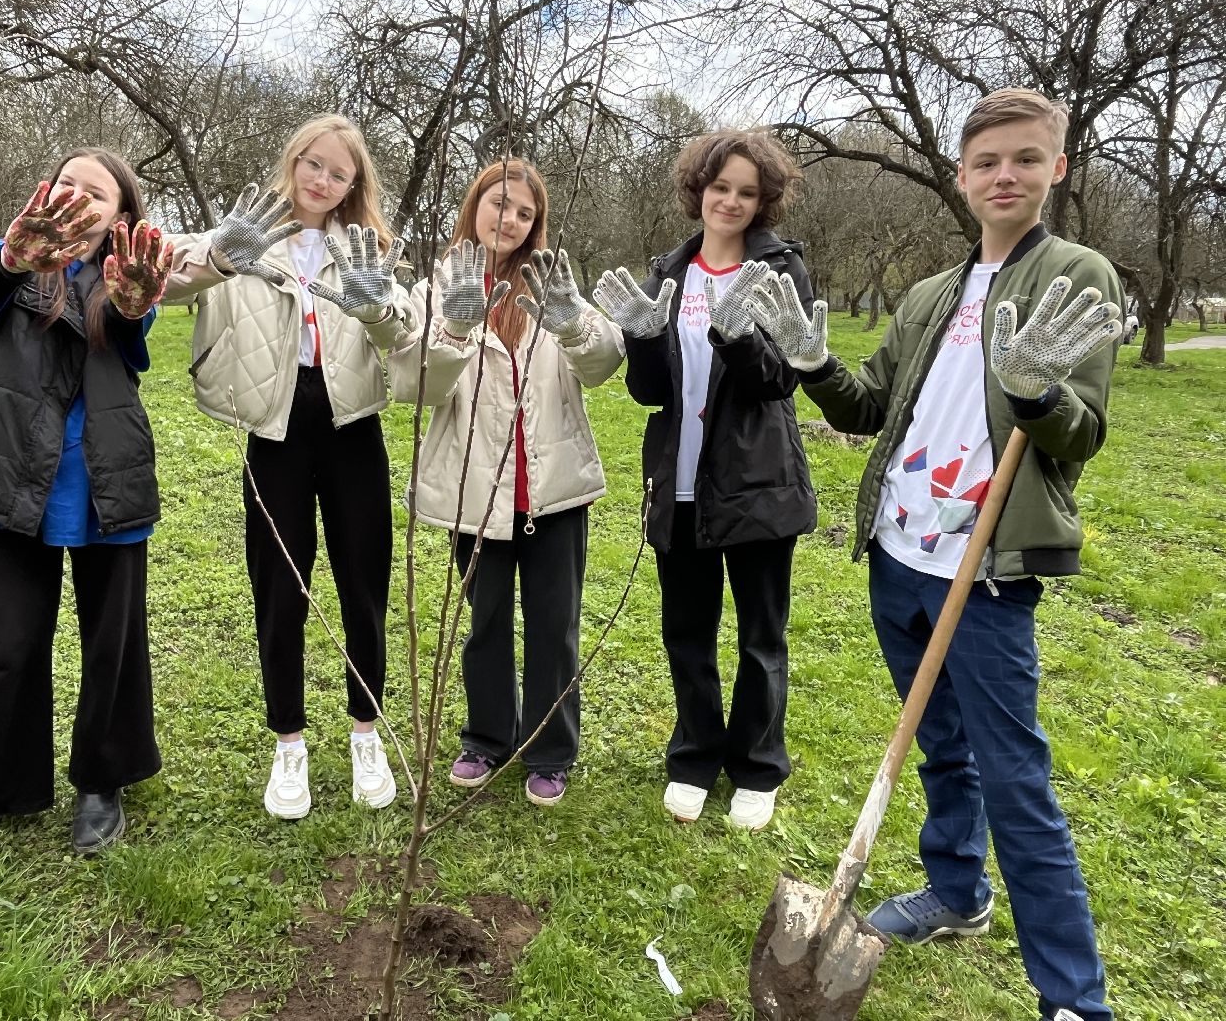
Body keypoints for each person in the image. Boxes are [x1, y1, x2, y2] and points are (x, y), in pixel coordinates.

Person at [746, 88, 1122, 1021]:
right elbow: (869, 407)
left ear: (1056, 169)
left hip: (984, 573)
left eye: (1026, 159)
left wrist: (1037, 395)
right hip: (899, 552)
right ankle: (957, 891)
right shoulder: (928, 296)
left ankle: (1073, 997)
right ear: (960, 176)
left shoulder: (1076, 278)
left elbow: (1080, 437)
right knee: (942, 745)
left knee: (1015, 777)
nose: (1006, 176)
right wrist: (811, 366)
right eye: (988, 161)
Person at [0, 148, 175, 856]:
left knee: (111, 646)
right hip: (9, 473)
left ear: (122, 218)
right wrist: (13, 262)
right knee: (3, 648)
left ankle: (101, 781)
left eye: (99, 194)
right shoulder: (4, 257)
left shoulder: (129, 280)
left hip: (103, 477)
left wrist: (131, 306)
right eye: (68, 184)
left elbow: (130, 334)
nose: (79, 198)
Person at [163, 115, 413, 819]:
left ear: (351, 185)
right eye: (311, 162)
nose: (320, 179)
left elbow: (399, 327)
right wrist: (218, 256)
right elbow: (167, 279)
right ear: (291, 160)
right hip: (276, 430)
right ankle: (289, 746)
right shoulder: (247, 231)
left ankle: (366, 734)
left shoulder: (365, 247)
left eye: (337, 172)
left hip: (351, 425)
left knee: (364, 585)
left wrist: (377, 309)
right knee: (280, 588)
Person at [594, 129, 817, 830]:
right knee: (687, 632)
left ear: (764, 201)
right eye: (720, 187)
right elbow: (649, 391)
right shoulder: (670, 272)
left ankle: (757, 766)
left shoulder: (782, 270)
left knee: (760, 636)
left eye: (747, 192)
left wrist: (741, 338)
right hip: (679, 482)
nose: (731, 201)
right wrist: (639, 336)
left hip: (756, 481)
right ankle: (693, 755)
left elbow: (782, 382)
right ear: (699, 190)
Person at [388, 159, 624, 806]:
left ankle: (550, 751)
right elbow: (413, 385)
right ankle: (486, 738)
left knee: (556, 626)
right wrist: (457, 325)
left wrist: (575, 322)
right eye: (501, 205)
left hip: (553, 490)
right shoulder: (437, 289)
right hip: (477, 493)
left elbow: (604, 363)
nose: (512, 221)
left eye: (526, 213)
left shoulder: (552, 285)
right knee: (486, 621)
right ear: (475, 205)